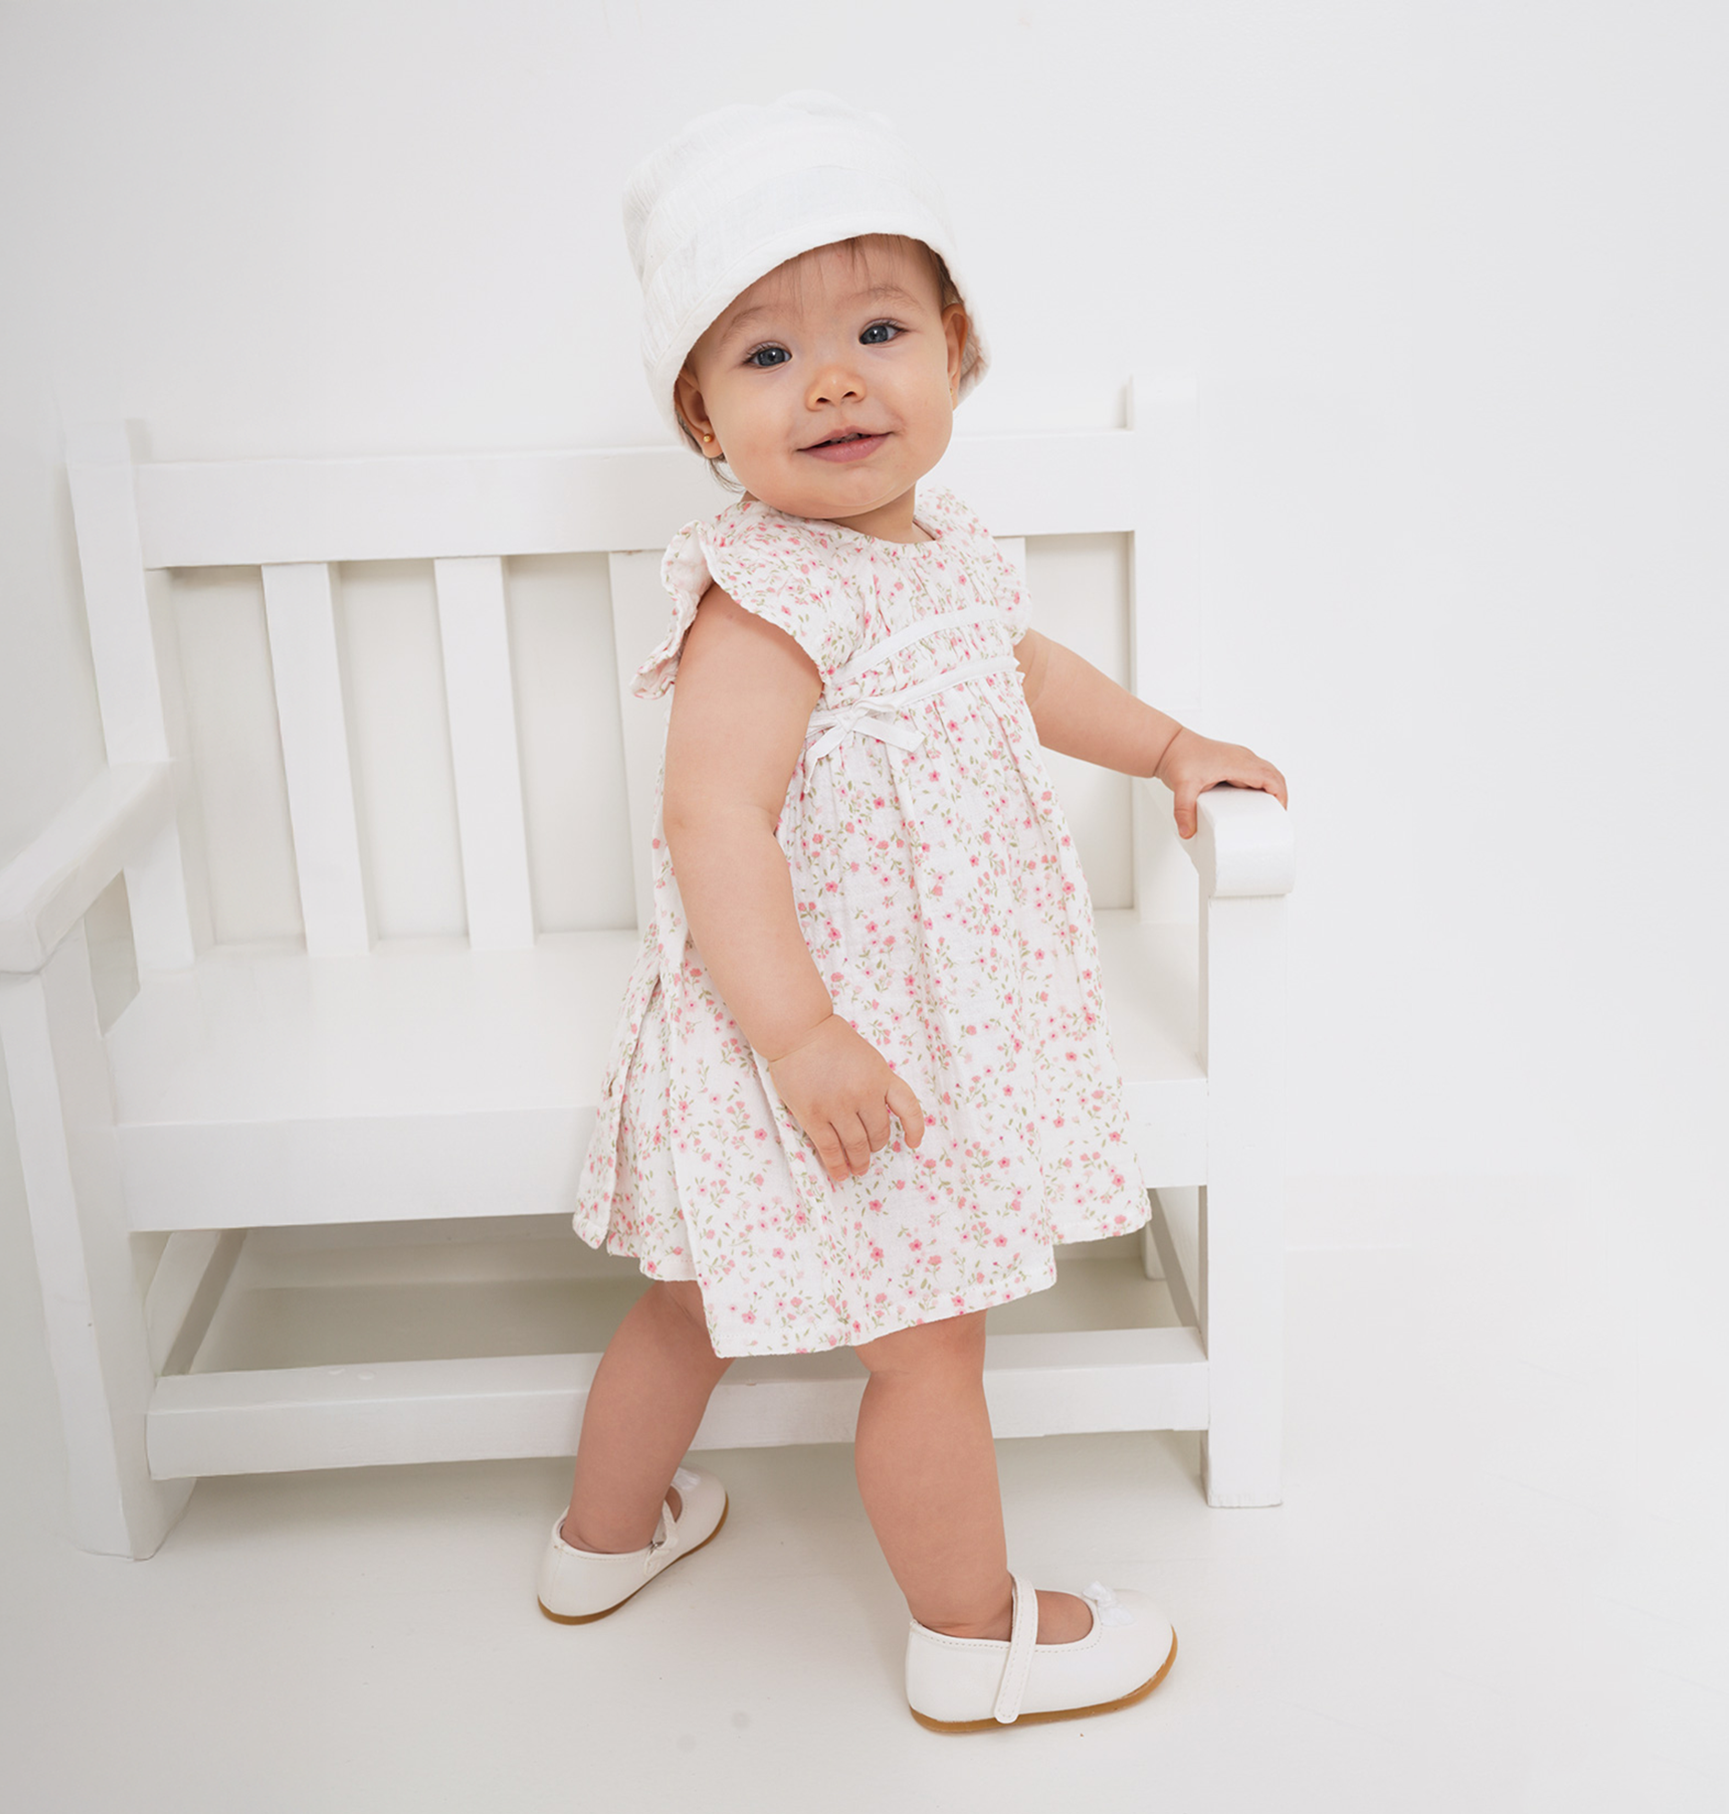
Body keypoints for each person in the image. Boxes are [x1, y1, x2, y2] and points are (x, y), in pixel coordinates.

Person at [536, 93, 1287, 1731]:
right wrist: (800, 1035)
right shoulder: (764, 597)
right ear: (703, 420)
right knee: (929, 1344)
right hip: (825, 1049)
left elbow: (1027, 675)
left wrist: (1168, 744)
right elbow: (711, 819)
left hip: (904, 1025)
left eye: (876, 330)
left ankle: (602, 1541)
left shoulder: (942, 551)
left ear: (958, 352)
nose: (830, 381)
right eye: (765, 355)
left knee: (690, 1302)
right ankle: (972, 1633)